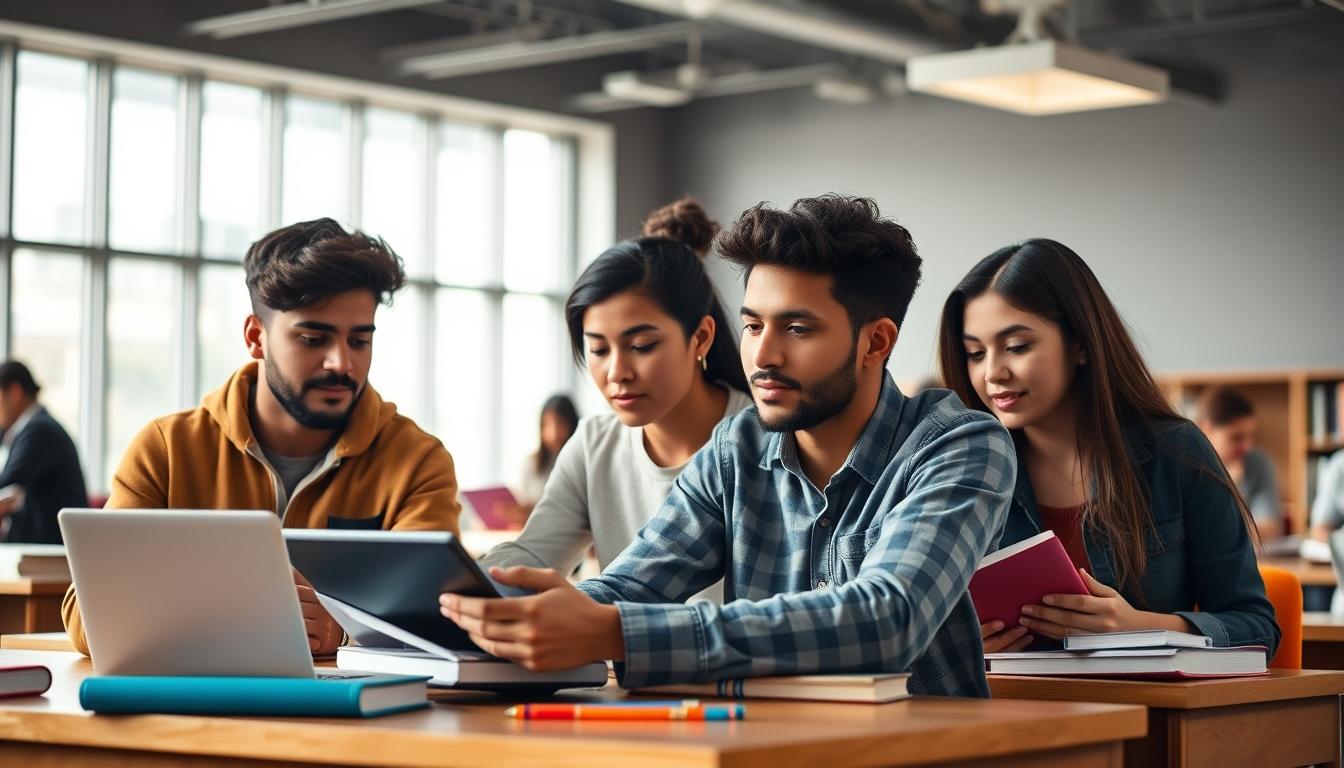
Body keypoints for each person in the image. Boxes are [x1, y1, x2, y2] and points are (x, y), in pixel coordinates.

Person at [443, 195, 1015, 697]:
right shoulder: (736, 447)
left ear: (875, 341)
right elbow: (634, 584)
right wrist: (531, 612)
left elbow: (889, 621)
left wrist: (611, 629)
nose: (763, 356)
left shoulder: (961, 447)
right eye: (752, 326)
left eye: (797, 329)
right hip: (760, 750)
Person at [62, 218, 461, 657]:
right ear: (256, 337)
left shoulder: (418, 462)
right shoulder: (166, 450)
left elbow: (432, 618)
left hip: (348, 714)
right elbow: (86, 618)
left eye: (360, 341)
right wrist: (245, 610)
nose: (341, 363)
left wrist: (343, 630)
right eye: (313, 338)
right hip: (192, 714)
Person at [937, 238, 1279, 656]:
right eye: (974, 353)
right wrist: (957, 646)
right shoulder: (961, 467)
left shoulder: (1176, 451)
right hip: (1015, 712)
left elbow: (1258, 628)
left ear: (1080, 343)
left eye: (1017, 347)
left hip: (1146, 713)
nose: (992, 372)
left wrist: (1141, 626)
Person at [480, 196, 752, 588]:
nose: (617, 373)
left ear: (701, 337)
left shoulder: (763, 441)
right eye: (598, 350)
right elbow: (535, 555)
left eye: (641, 346)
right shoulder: (595, 445)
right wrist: (463, 583)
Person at [0, 361, 87, 544]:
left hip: (53, 549)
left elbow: (7, 480)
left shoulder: (39, 430)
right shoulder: (30, 428)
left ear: (15, 392)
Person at [1197, 387, 1281, 538]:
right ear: (1206, 429)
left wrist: (1236, 488)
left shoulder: (1259, 463)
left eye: (1250, 436)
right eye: (1236, 437)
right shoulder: (1186, 467)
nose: (1247, 446)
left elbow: (1270, 529)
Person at [501, 394, 579, 525]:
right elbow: (521, 501)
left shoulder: (579, 464)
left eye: (560, 424)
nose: (553, 432)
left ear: (572, 424)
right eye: (547, 424)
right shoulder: (530, 463)